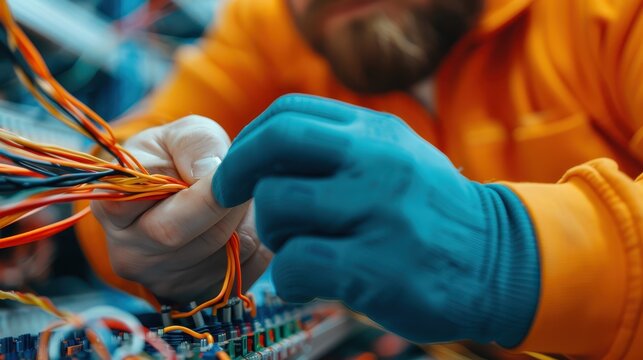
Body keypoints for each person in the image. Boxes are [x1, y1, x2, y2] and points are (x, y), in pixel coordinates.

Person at [75, 0, 643, 357]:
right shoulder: (270, 25)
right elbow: (127, 157)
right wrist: (136, 221)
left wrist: (513, 256)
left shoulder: (609, 16)